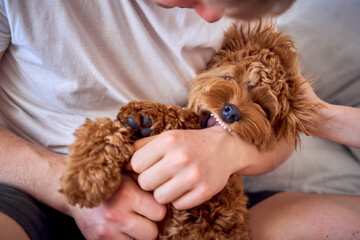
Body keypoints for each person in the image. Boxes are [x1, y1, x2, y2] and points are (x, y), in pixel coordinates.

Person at [0, 1, 359, 240]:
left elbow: (280, 130)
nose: (213, 16)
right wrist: (67, 190)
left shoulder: (240, 8)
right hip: (32, 185)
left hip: (201, 209)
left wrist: (228, 151)